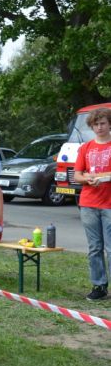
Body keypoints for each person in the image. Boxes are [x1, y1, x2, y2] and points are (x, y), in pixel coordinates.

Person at [74, 107, 111, 301]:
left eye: (103, 123)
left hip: (109, 204)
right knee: (95, 247)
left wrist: (102, 177)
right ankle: (99, 285)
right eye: (96, 124)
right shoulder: (86, 148)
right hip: (89, 203)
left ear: (109, 124)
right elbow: (77, 175)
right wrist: (87, 179)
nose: (99, 127)